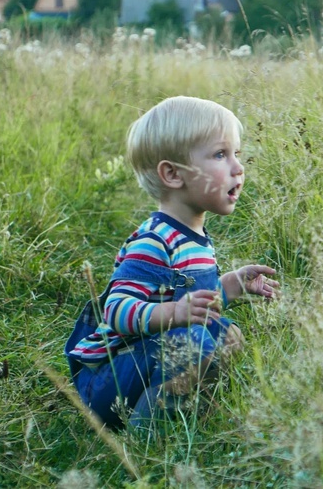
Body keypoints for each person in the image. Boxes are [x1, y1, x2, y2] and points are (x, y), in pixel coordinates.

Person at [64, 96, 279, 430]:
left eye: (236, 153)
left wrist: (234, 284)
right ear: (173, 174)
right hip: (109, 382)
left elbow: (194, 302)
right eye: (221, 155)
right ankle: (147, 428)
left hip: (145, 363)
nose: (238, 167)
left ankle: (183, 406)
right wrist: (174, 315)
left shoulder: (195, 237)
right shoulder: (154, 241)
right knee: (195, 340)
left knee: (227, 334)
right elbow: (116, 310)